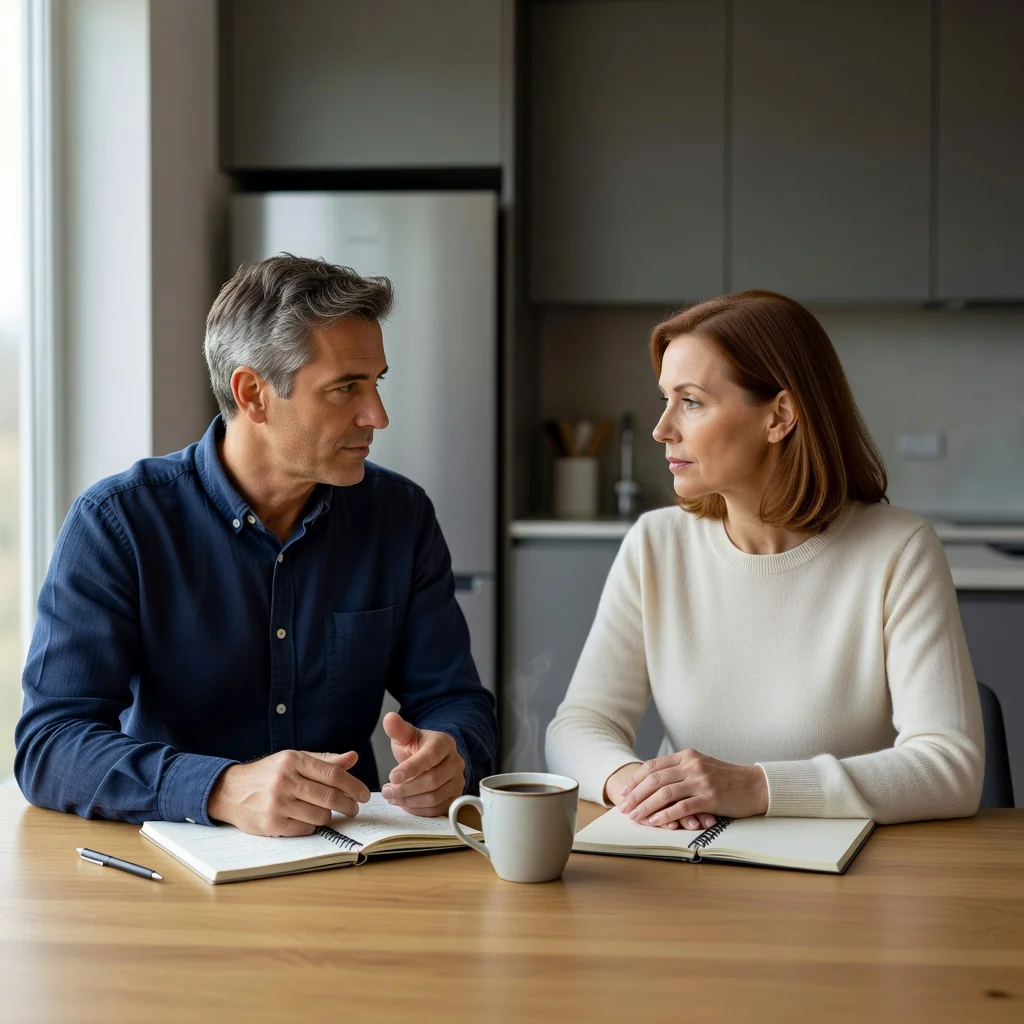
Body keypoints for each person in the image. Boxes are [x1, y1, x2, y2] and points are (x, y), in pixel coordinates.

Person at [16, 255, 497, 836]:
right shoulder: (117, 524)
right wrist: (217, 788)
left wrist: (452, 753)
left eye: (376, 383)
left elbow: (457, 699)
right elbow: (49, 745)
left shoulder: (401, 515)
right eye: (346, 388)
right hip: (173, 870)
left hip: (353, 858)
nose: (378, 415)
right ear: (253, 394)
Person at [546, 290, 983, 830]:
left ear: (779, 416)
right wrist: (640, 787)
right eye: (665, 399)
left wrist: (755, 787)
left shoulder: (899, 550)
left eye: (692, 401)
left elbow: (951, 767)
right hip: (686, 863)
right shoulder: (656, 544)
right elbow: (578, 725)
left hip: (846, 881)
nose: (663, 429)